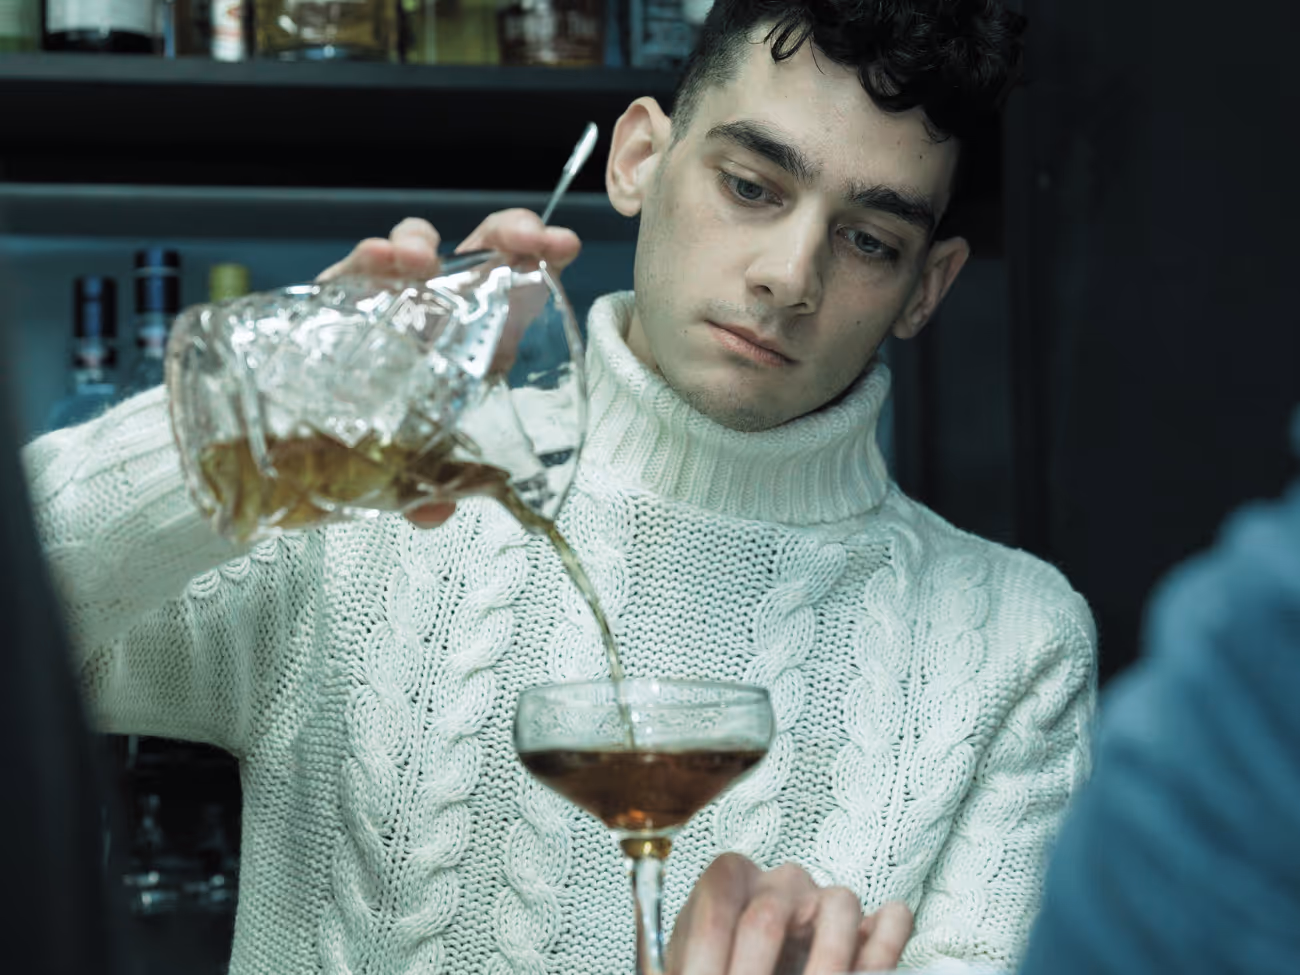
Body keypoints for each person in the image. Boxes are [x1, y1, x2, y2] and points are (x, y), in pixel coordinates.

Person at [21, 0, 1096, 972]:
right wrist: (266, 408)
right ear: (638, 159)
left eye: (867, 239)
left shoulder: (1015, 645)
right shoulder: (362, 501)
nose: (789, 276)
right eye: (750, 186)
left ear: (926, 288)